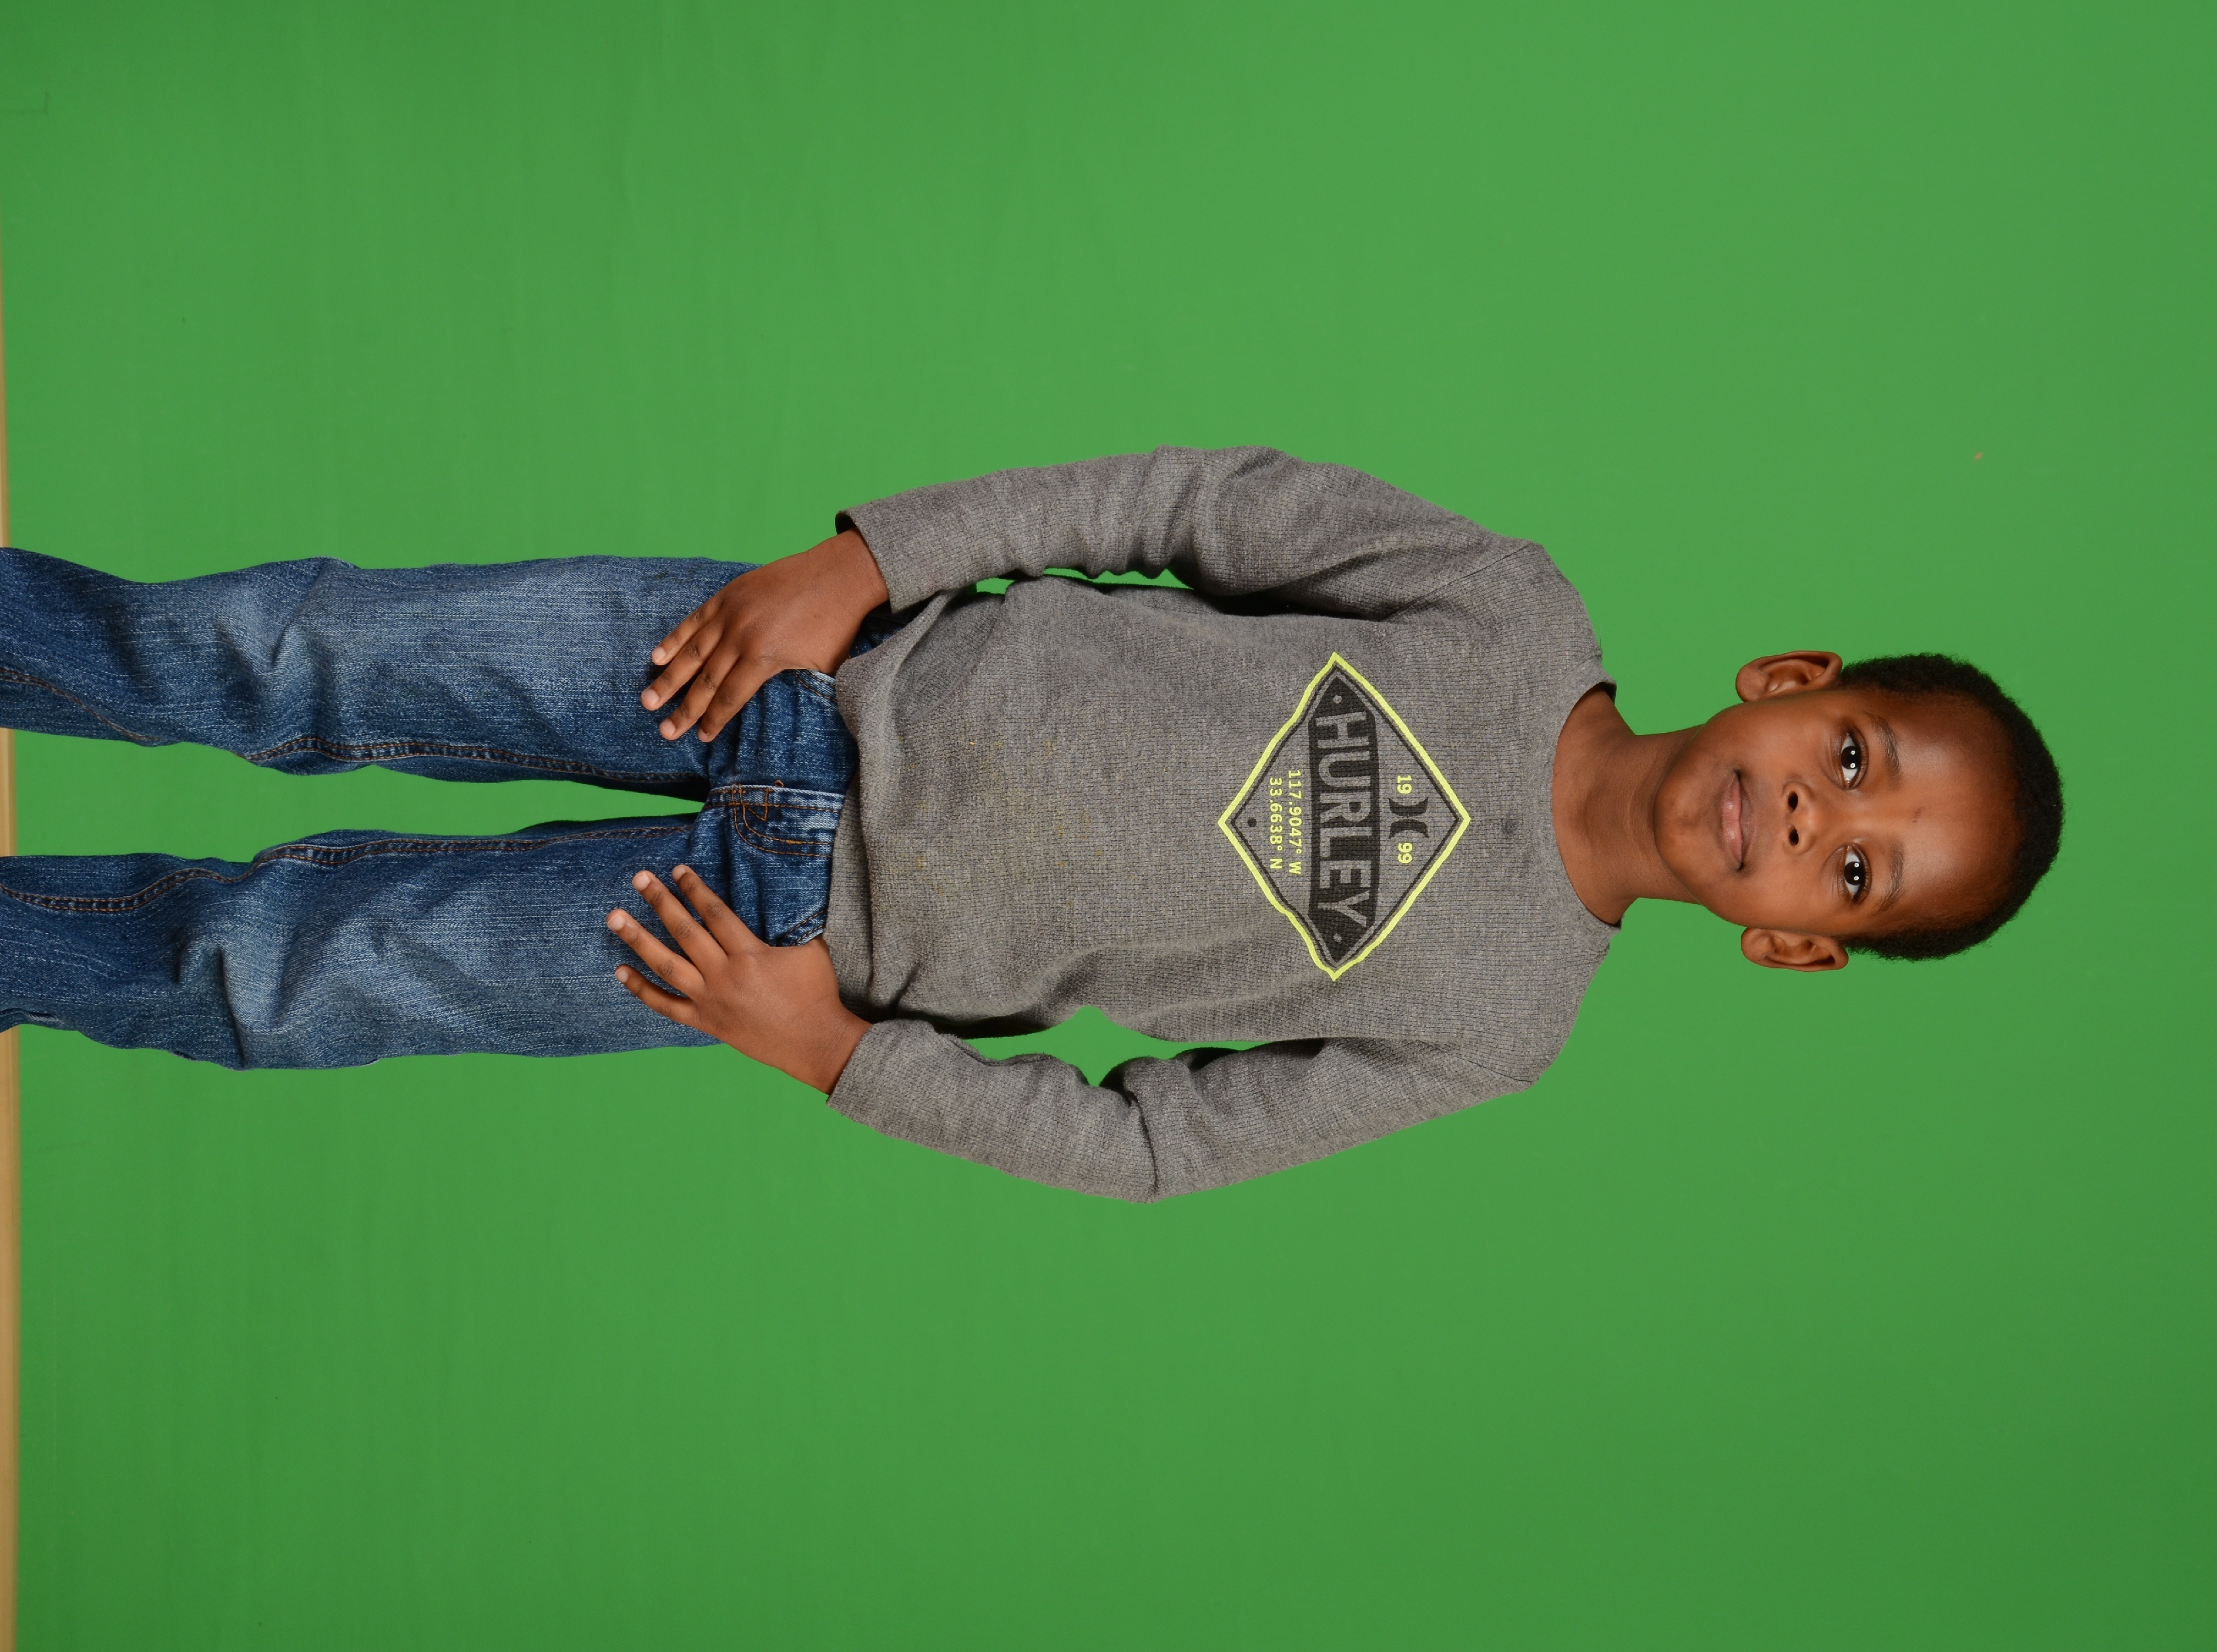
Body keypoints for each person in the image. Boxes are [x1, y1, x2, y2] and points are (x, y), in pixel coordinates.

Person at [0, 447, 2062, 1200]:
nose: (1808, 813)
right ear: (1796, 677)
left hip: (785, 943)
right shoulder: (1505, 610)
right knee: (287, 656)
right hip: (794, 670)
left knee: (281, 977)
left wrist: (837, 1054)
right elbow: (1185, 506)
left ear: (1795, 941)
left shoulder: (1500, 1015)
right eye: (1854, 753)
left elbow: (1161, 1146)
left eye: (1852, 868)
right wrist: (864, 560)